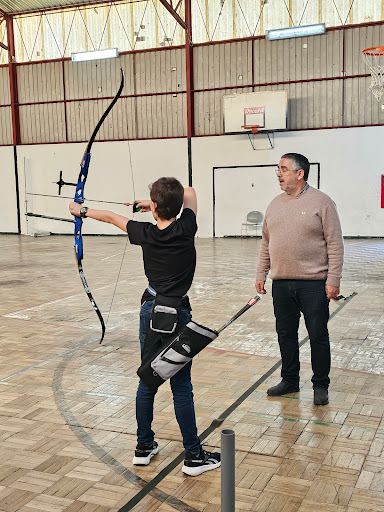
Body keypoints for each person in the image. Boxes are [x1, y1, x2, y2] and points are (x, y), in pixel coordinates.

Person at [69, 177, 220, 477]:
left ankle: (143, 446)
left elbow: (112, 217)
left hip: (150, 308)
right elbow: (189, 191)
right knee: (181, 386)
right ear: (177, 208)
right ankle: (193, 455)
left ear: (155, 209)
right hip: (176, 311)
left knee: (147, 377)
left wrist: (80, 211)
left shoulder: (145, 232)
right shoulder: (186, 226)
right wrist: (154, 202)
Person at [255, 153, 343, 406]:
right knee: (285, 334)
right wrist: (262, 273)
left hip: (313, 283)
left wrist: (333, 279)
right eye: (278, 169)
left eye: (283, 169)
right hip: (281, 283)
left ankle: (320, 385)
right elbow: (266, 243)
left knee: (317, 334)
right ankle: (290, 380)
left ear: (299, 173)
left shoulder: (322, 203)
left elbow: (335, 243)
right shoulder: (274, 204)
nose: (278, 174)